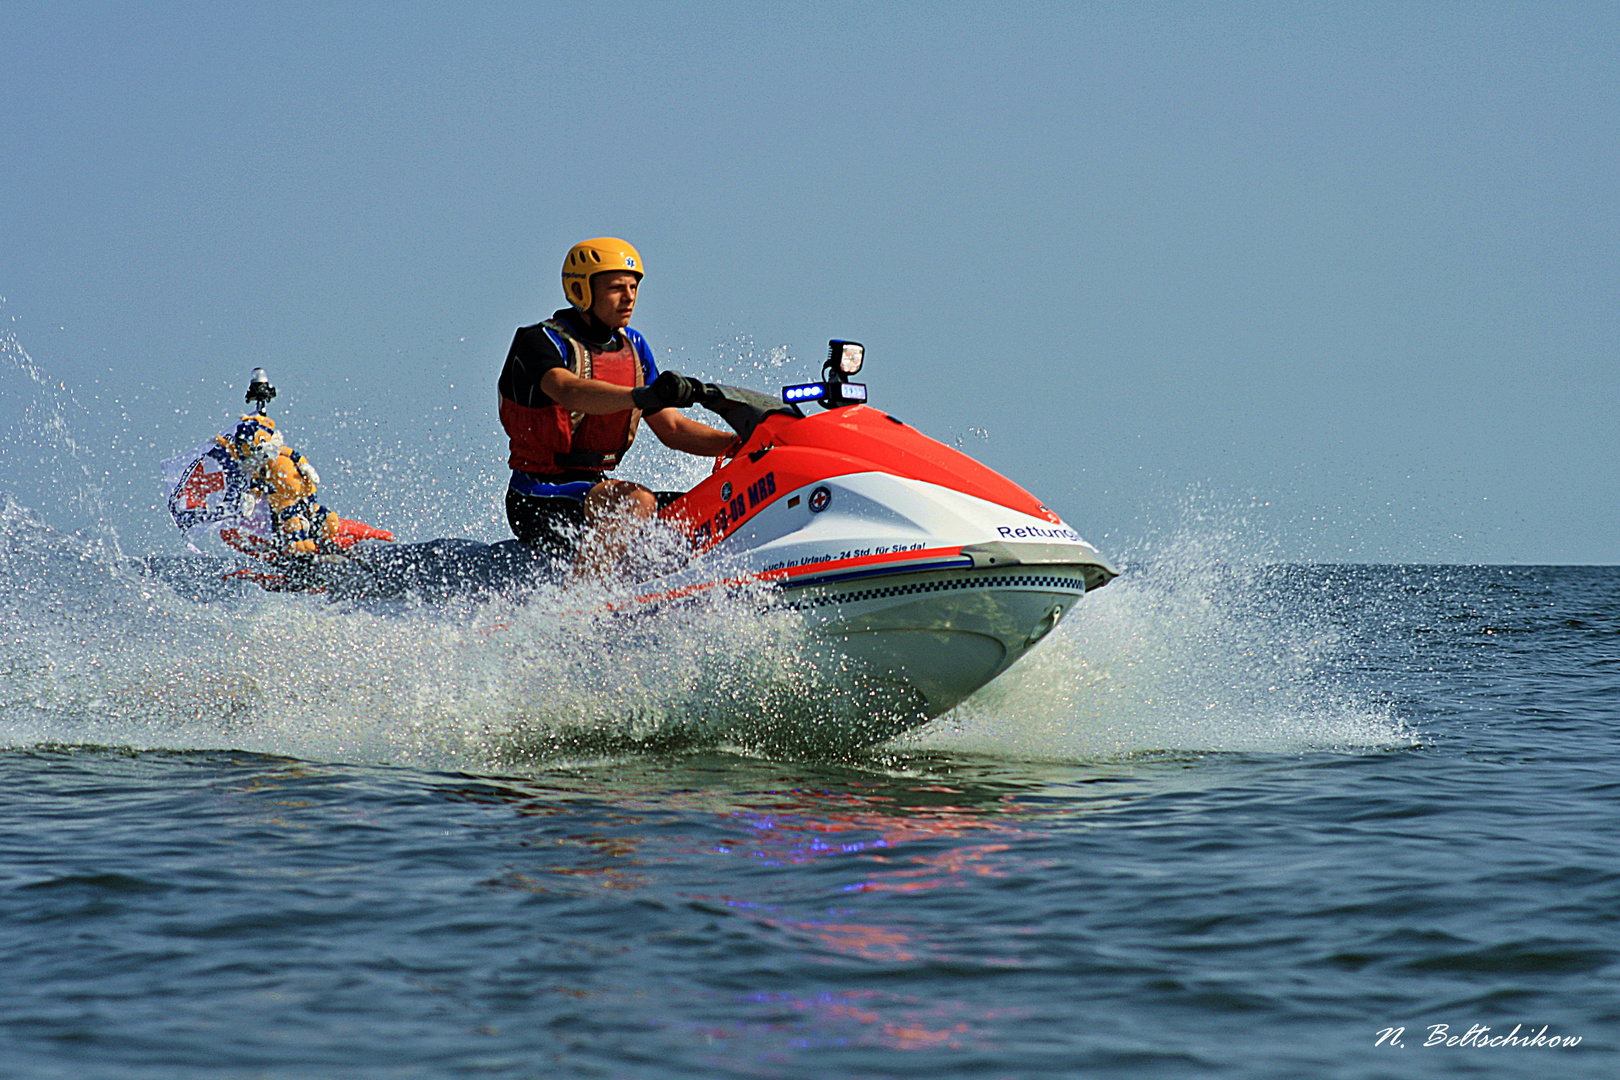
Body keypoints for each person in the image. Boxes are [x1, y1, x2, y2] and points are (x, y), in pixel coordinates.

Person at [497, 237, 735, 568]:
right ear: (581, 291)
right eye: (616, 288)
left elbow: (674, 428)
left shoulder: (634, 346)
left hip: (594, 489)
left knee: (708, 507)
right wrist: (640, 395)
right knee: (635, 500)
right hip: (536, 494)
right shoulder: (540, 341)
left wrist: (738, 445)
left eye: (634, 287)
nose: (629, 297)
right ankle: (578, 606)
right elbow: (569, 390)